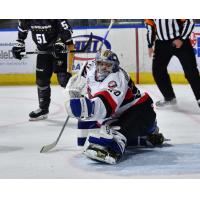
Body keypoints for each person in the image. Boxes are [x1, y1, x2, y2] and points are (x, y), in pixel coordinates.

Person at [65, 49, 165, 164]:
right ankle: (141, 137)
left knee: (115, 134)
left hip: (140, 110)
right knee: (86, 126)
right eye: (101, 64)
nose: (103, 67)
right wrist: (73, 88)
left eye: (108, 65)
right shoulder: (90, 66)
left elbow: (105, 106)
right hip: (117, 114)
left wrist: (86, 108)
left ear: (114, 67)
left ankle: (117, 146)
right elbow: (79, 76)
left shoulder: (117, 79)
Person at [12, 19, 74, 120]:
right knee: (41, 81)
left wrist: (60, 42)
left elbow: (68, 30)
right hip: (43, 51)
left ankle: (82, 105)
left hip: (61, 50)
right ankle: (43, 109)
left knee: (64, 80)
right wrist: (20, 42)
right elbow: (23, 29)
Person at [145, 19, 200, 107]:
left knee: (191, 71)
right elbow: (150, 26)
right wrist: (150, 45)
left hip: (181, 42)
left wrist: (182, 39)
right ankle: (169, 97)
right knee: (158, 71)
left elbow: (190, 22)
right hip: (161, 44)